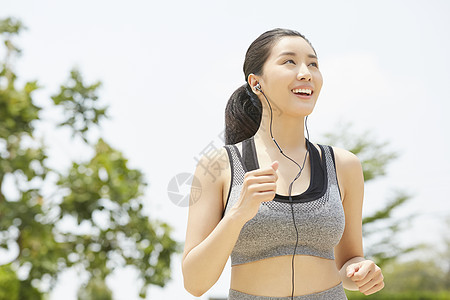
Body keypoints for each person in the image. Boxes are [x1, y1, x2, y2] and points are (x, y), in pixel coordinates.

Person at [182, 28, 385, 300]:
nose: (306, 72)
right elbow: (195, 283)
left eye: (313, 63)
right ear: (256, 83)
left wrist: (360, 271)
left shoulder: (344, 166)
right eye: (290, 61)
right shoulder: (218, 166)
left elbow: (349, 260)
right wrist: (238, 214)